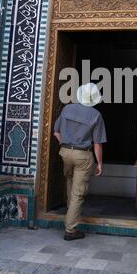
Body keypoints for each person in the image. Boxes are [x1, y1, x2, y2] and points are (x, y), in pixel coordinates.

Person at [54, 83, 107, 241]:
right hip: (83, 156)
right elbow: (97, 143)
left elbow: (56, 132)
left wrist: (65, 144)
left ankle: (71, 213)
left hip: (65, 152)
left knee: (70, 182)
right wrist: (100, 163)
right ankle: (70, 229)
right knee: (79, 192)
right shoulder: (96, 115)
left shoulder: (67, 109)